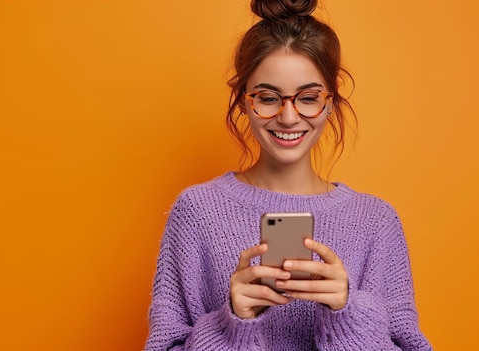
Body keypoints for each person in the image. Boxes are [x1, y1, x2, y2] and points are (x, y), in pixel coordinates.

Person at [144, 0, 432, 350]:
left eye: (308, 98)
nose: (289, 116)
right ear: (243, 99)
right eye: (268, 97)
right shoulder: (197, 212)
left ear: (330, 100)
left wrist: (348, 315)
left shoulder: (377, 222)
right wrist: (230, 322)